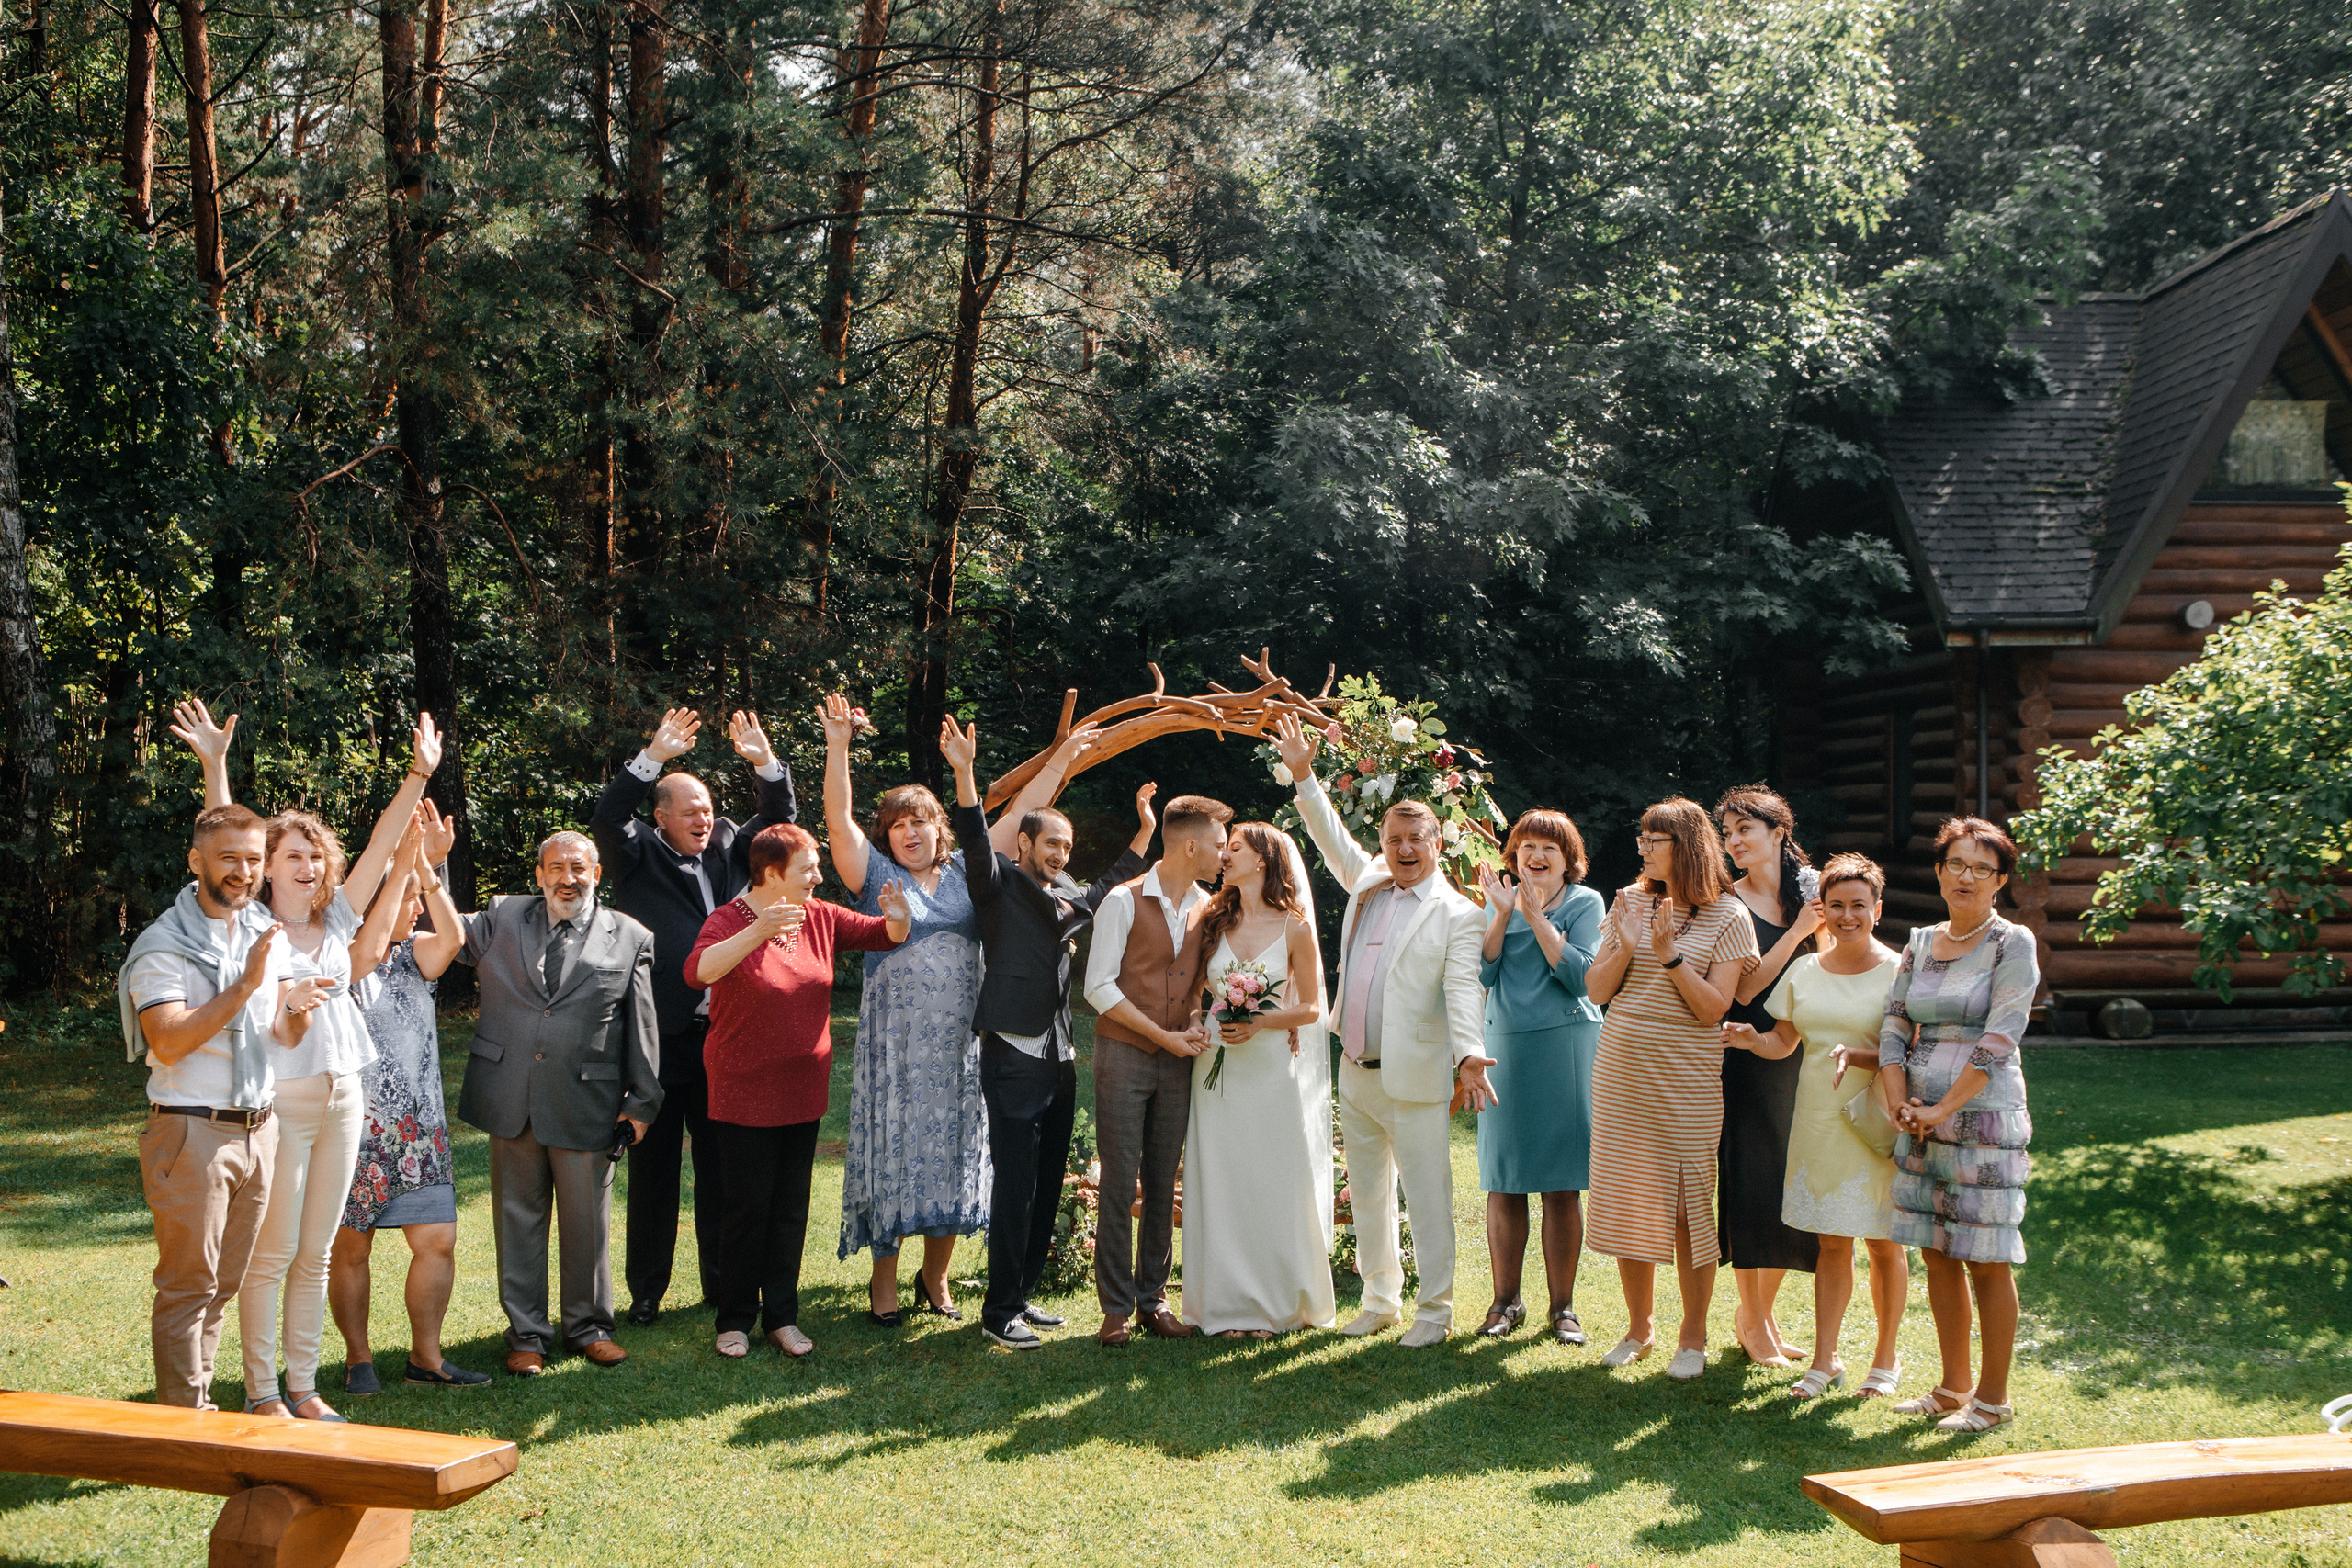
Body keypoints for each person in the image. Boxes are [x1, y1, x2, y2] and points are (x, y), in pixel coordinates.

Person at [168, 699, 441, 1422]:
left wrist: (418, 772)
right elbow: (225, 834)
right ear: (265, 871)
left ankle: (304, 1385)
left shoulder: (341, 916)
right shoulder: (248, 923)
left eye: (313, 851)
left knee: (316, 1250)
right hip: (280, 1099)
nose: (307, 861)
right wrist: (214, 764)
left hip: (343, 1092)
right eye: (291, 853)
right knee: (273, 1250)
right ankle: (262, 1391)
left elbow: (385, 844)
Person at [822, 694, 1095, 1323]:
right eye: (898, 824)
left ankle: (937, 1277)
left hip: (964, 1044)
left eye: (921, 821)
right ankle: (883, 1282)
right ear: (888, 834)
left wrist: (1062, 761)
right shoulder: (875, 876)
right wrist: (839, 746)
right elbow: (838, 822)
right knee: (895, 1150)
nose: (910, 832)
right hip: (896, 1049)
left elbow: (1025, 816)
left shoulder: (970, 873)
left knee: (953, 1150)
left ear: (939, 828)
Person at [1271, 715, 1498, 1349]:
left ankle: (1435, 1311)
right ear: (1383, 838)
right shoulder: (1367, 881)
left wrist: (1470, 1055)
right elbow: (1329, 838)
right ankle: (1379, 1298)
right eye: (1394, 837)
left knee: (1426, 1199)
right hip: (1356, 1070)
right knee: (1368, 1196)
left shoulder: (1457, 914)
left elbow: (1461, 988)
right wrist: (1304, 774)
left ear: (1437, 845)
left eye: (1415, 840)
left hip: (1417, 1078)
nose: (1402, 849)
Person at [944, 716, 1153, 1351]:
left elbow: (1108, 884)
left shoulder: (1064, 897)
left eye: (1067, 845)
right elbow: (976, 841)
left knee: (1045, 1178)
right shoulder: (997, 886)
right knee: (1014, 1182)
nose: (1061, 853)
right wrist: (964, 773)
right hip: (1011, 1048)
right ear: (1024, 844)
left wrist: (1144, 832)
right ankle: (997, 1308)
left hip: (1059, 1054)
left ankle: (1022, 1292)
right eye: (1051, 842)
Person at [588, 705, 797, 1328]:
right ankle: (647, 1290)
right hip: (660, 1038)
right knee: (653, 1169)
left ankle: (721, 1284)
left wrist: (764, 762)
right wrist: (653, 755)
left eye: (708, 810)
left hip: (728, 1034)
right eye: (689, 810)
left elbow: (782, 820)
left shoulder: (735, 848)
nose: (703, 819)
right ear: (662, 818)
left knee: (725, 1167)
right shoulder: (635, 854)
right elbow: (606, 814)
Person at [119, 803, 330, 1409]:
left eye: (253, 858)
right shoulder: (164, 944)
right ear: (196, 861)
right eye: (228, 857)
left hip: (258, 1129)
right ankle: (183, 1423)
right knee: (189, 1285)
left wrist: (294, 1008)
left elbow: (279, 1035)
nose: (243, 869)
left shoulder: (253, 931)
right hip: (192, 1132)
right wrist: (244, 984)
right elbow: (169, 1038)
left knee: (223, 1284)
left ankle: (196, 1405)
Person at [689, 824, 910, 1358]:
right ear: (771, 873)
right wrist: (758, 931)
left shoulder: (821, 916)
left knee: (791, 1206)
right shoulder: (729, 919)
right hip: (743, 1088)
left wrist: (899, 916)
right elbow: (698, 972)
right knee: (746, 1206)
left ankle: (781, 1317)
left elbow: (886, 935)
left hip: (801, 1089)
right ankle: (735, 1319)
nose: (818, 875)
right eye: (808, 867)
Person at [453, 830, 662, 1374]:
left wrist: (641, 1103)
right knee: (517, 1219)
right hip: (510, 1096)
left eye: (579, 868)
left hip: (586, 1100)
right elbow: (446, 935)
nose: (567, 879)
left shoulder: (631, 935)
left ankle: (589, 1326)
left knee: (585, 1222)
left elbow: (640, 1027)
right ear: (540, 874)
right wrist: (427, 869)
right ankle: (526, 1334)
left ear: (596, 873)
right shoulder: (501, 916)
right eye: (556, 868)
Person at [1720, 853, 1907, 1401]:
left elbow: (1913, 1049)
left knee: (1883, 1242)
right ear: (1821, 909)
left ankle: (1886, 1359)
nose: (1848, 916)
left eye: (1859, 905)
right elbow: (1786, 1040)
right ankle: (1826, 1360)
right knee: (1830, 1242)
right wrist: (1755, 1042)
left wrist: (1864, 1055)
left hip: (1874, 1117)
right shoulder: (1804, 970)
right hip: (1818, 1120)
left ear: (1878, 907)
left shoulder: (1901, 972)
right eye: (1837, 905)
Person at [1584, 796, 1758, 1381]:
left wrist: (1672, 957)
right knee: (1630, 1195)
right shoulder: (1629, 901)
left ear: (1683, 846)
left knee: (1689, 1208)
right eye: (1641, 839)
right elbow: (1598, 991)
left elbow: (1715, 1010)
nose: (1642, 849)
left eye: (1652, 840)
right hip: (1621, 1071)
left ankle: (1693, 1336)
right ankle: (1639, 1328)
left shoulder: (1729, 917)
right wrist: (1629, 945)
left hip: (1686, 1079)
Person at [1875, 818, 2040, 1433]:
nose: (1967, 876)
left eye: (1982, 867)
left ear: (1999, 880)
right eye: (1957, 864)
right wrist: (1900, 1101)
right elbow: (1893, 1024)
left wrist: (1943, 1108)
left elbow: (2000, 1036)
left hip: (1984, 1120)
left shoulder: (2011, 943)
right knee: (1937, 1251)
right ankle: (1952, 1387)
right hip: (1917, 1118)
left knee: (1985, 1255)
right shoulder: (1918, 942)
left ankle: (1992, 1400)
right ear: (1939, 871)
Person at [329, 803, 489, 1393]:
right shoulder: (340, 956)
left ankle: (427, 1357)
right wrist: (403, 866)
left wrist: (425, 869)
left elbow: (455, 935)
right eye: (407, 898)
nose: (417, 908)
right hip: (352, 1131)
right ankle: (357, 1357)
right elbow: (359, 955)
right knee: (351, 1250)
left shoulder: (412, 958)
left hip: (419, 1130)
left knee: (437, 1242)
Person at [1080, 793, 1232, 1346]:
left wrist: (1191, 1022)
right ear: (1189, 846)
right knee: (1120, 1182)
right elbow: (1097, 986)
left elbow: (1199, 982)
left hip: (1177, 1060)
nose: (1223, 854)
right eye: (1218, 844)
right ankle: (1116, 1308)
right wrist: (1161, 1035)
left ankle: (1154, 1300)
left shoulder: (1208, 904)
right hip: (1124, 1053)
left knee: (1165, 1182)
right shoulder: (1122, 901)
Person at [1181, 821, 1336, 1338]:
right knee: (1221, 1179)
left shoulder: (1295, 926)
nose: (1224, 855)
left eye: (1235, 849)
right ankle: (1224, 1306)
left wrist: (1262, 1021)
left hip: (1269, 1069)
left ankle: (1276, 1302)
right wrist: (1193, 1022)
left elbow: (1312, 1008)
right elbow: (1193, 991)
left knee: (1270, 1180)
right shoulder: (1212, 918)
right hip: (1216, 1069)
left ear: (1263, 861)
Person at [1471, 810, 1604, 1347]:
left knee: (1560, 1182)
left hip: (1568, 1045)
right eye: (1526, 846)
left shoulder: (1585, 903)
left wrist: (1535, 914)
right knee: (1504, 1178)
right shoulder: (1497, 899)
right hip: (1505, 1046)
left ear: (1568, 856)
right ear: (1515, 855)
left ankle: (1564, 1307)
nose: (1537, 855)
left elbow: (1581, 977)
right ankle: (1505, 1302)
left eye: (1549, 846)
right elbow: (1483, 971)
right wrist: (1504, 915)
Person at [1714, 786, 1823, 1368]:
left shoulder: (1810, 894)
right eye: (1728, 833)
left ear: (1779, 832)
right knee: (1754, 1183)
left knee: (1791, 1188)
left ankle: (1762, 1314)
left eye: (1744, 831)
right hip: (1745, 1055)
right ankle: (1751, 1319)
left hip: (1799, 1052)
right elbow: (1745, 990)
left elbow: (1827, 967)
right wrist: (1799, 929)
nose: (1733, 842)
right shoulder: (1728, 900)